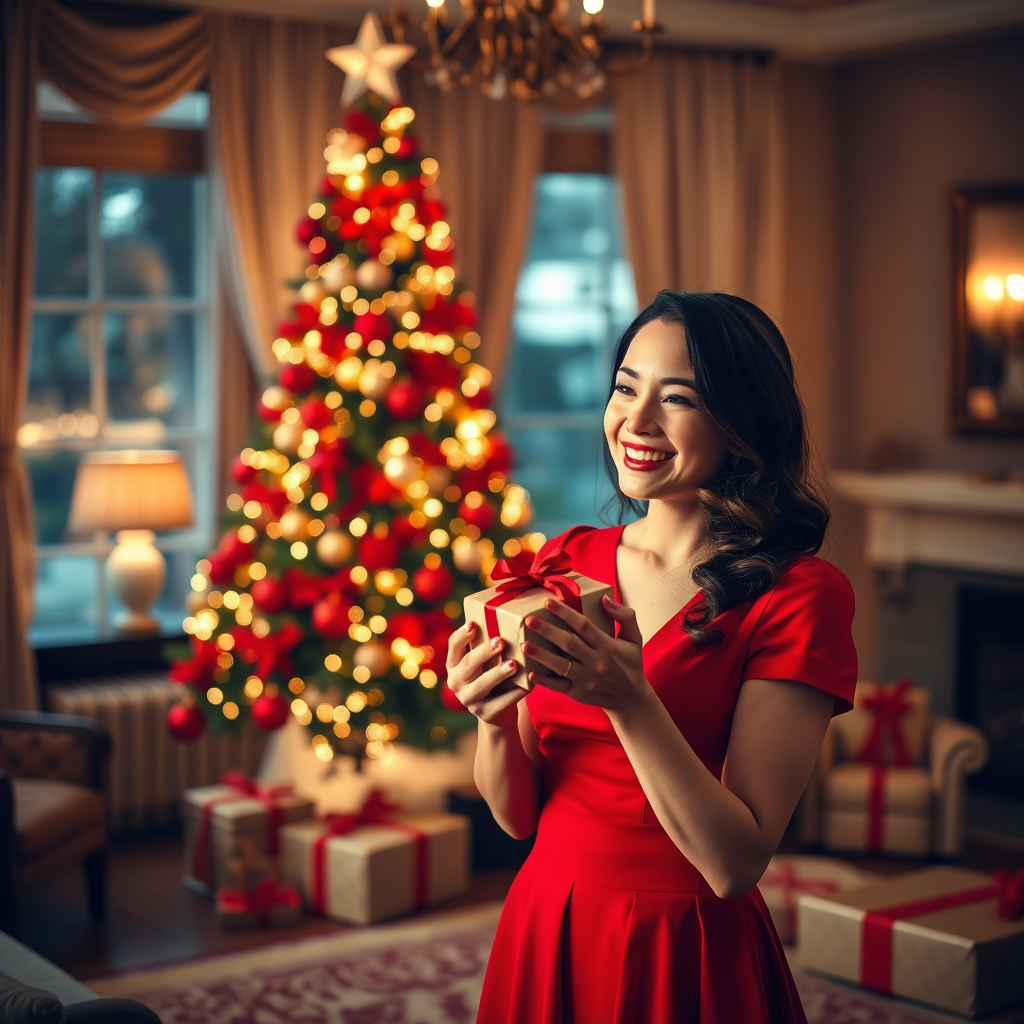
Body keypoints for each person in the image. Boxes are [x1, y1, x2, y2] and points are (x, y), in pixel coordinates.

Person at [447, 290, 858, 1024]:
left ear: (741, 423)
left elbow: (735, 865)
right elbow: (515, 817)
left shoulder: (797, 595)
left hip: (687, 943)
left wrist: (631, 700)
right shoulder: (565, 561)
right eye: (625, 389)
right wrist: (490, 716)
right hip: (548, 916)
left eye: (677, 399)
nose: (636, 422)